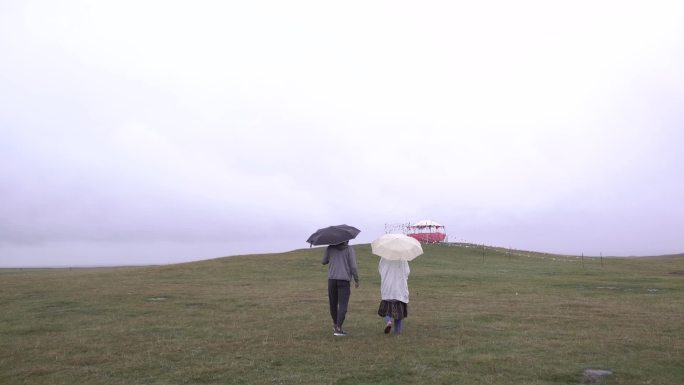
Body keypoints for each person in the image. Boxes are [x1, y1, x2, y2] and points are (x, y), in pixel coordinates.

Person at [322, 240, 359, 336]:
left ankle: (335, 325)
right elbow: (353, 266)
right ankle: (338, 328)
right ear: (347, 239)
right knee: (343, 304)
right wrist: (356, 279)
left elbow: (323, 261)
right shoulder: (349, 249)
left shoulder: (330, 248)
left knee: (333, 304)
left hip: (332, 280)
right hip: (344, 280)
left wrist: (330, 252)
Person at [377, 258, 410, 335]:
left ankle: (388, 321)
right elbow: (407, 272)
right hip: (399, 288)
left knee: (386, 309)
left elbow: (380, 269)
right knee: (399, 312)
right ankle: (397, 332)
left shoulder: (384, 257)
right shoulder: (403, 258)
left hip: (387, 287)